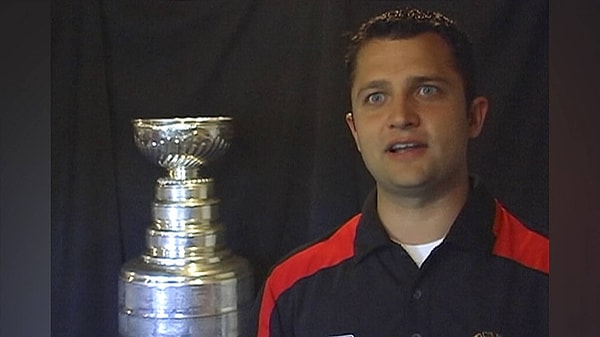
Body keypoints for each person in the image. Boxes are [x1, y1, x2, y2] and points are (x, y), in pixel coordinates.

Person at [244, 7, 548, 337]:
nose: (401, 116)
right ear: (355, 130)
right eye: (376, 97)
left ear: (473, 117)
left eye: (426, 90)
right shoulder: (292, 289)